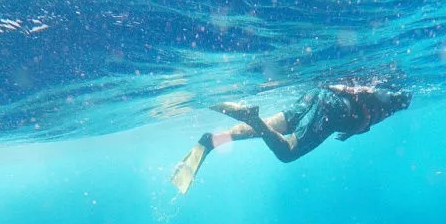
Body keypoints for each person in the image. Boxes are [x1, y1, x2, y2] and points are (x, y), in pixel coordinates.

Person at [170, 74, 412, 194]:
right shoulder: (393, 100)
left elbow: (366, 107)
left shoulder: (384, 107)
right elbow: (370, 95)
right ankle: (251, 116)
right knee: (287, 152)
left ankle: (212, 141)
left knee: (271, 128)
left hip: (319, 97)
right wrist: (344, 90)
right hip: (332, 109)